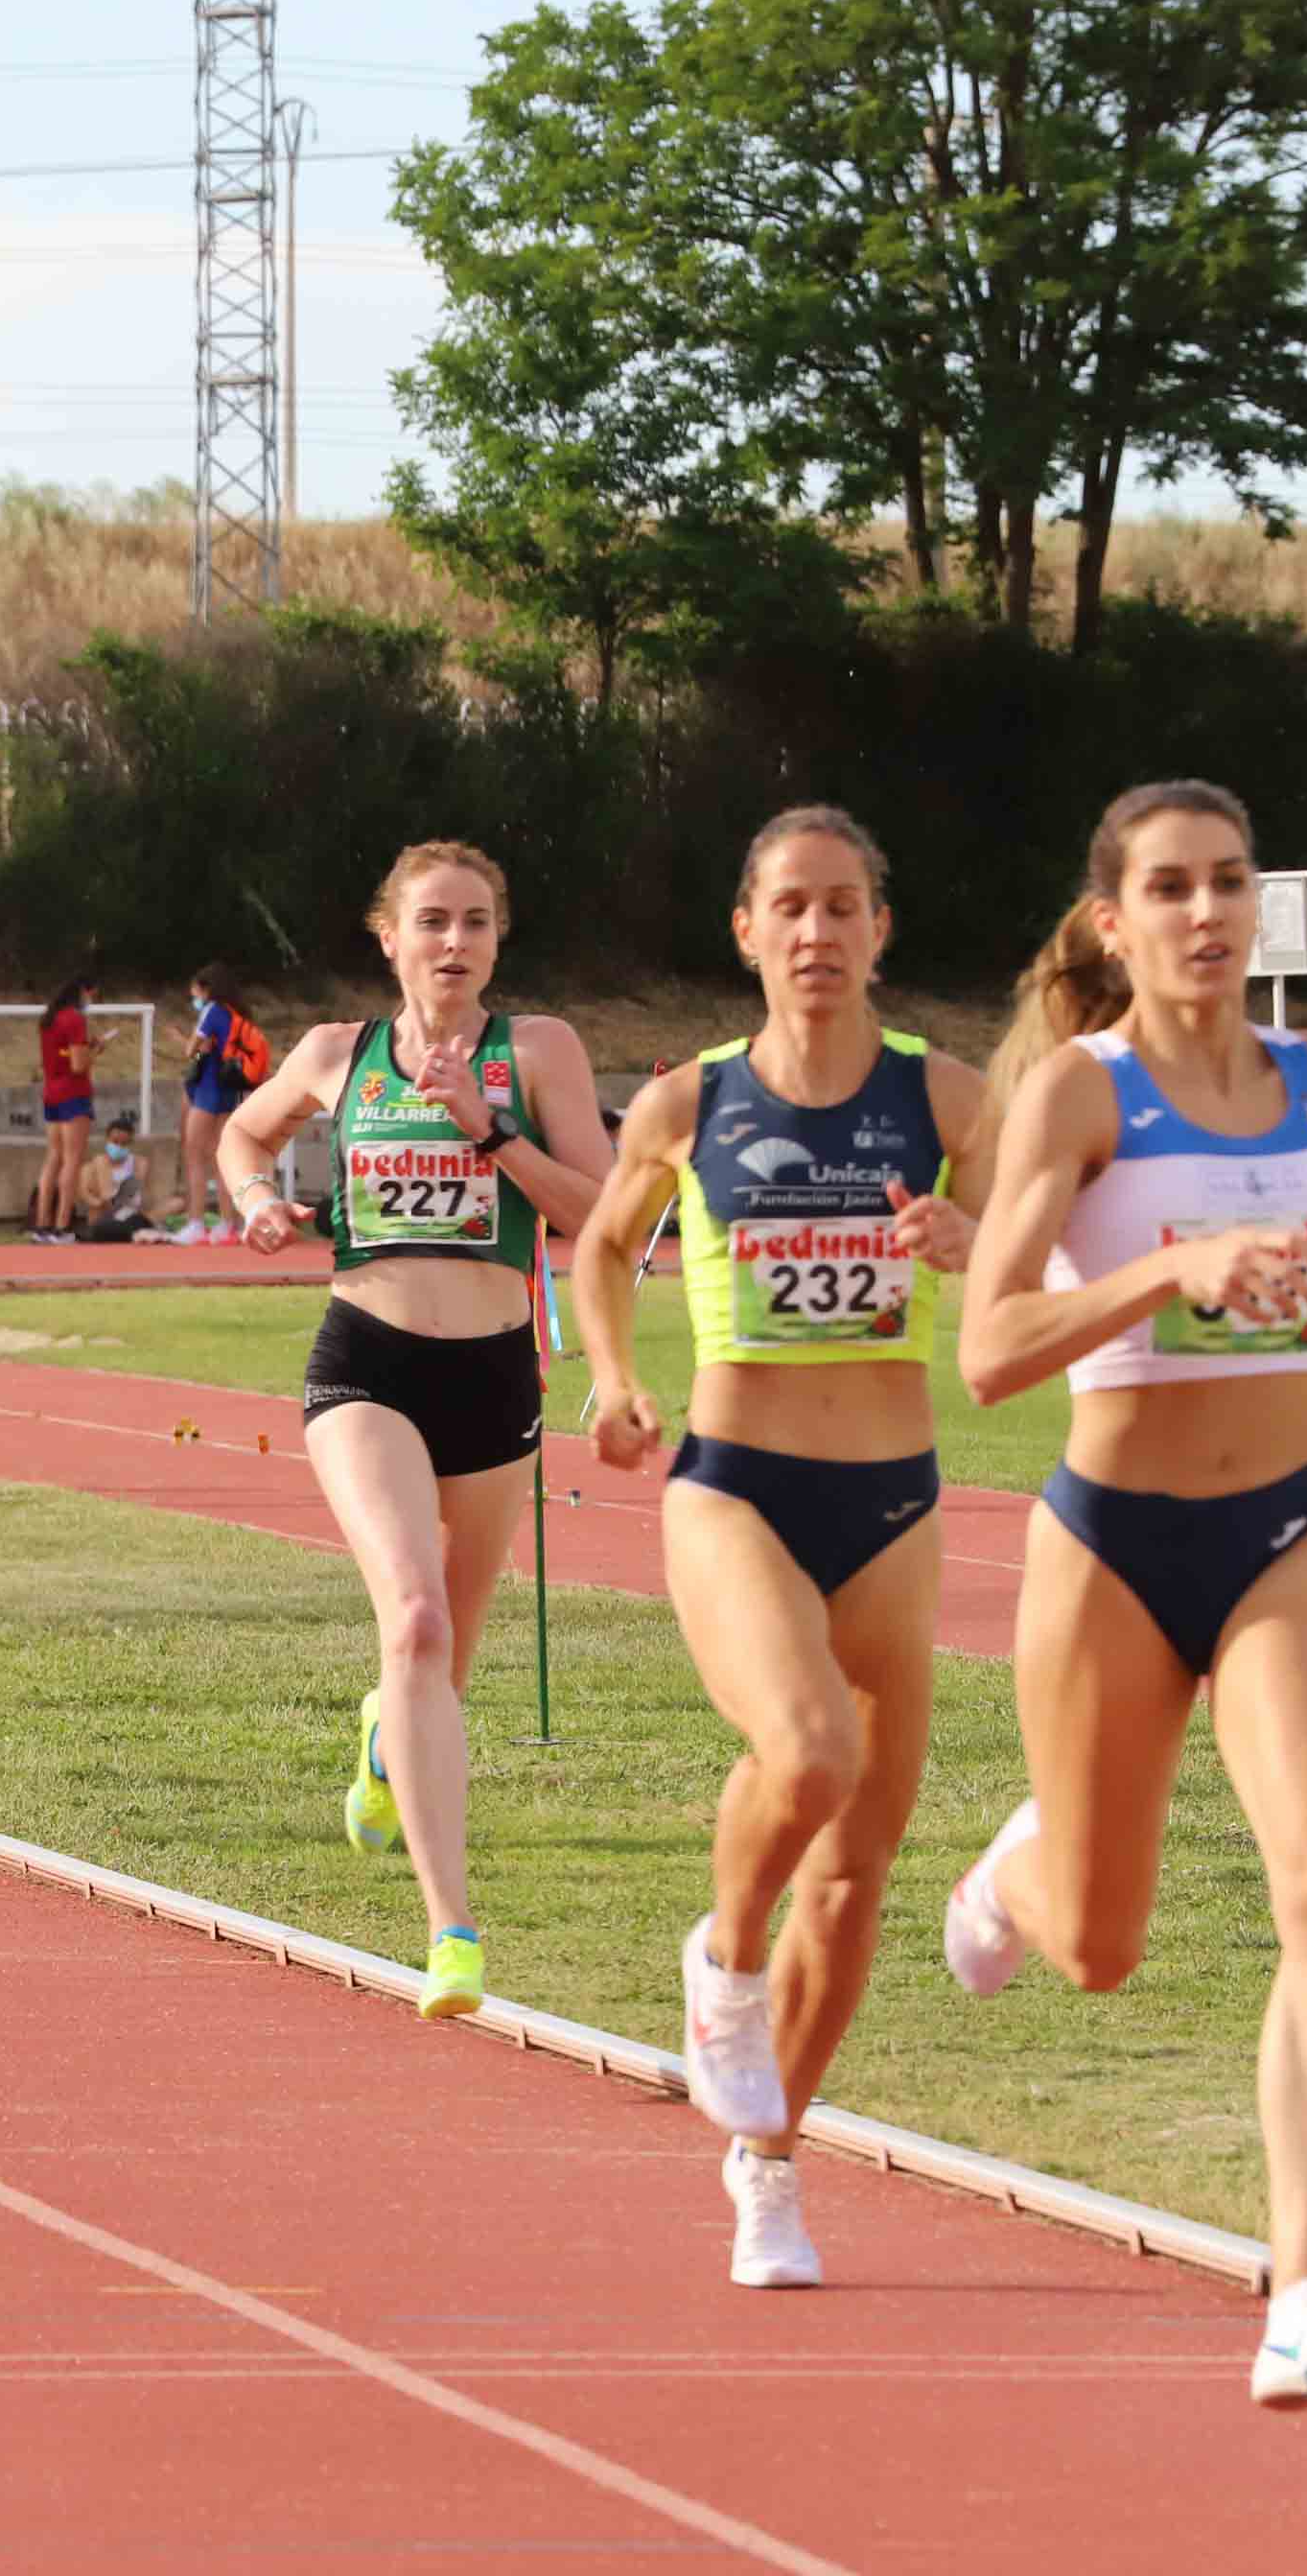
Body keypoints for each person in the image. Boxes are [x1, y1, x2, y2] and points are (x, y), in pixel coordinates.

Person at [950, 779, 1307, 2410]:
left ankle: (1300, 2289)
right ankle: (1015, 1873)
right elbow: (985, 1352)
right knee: (1104, 1947)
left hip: (1285, 1530)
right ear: (1115, 920)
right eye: (1170, 887)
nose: (1206, 912)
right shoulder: (1074, 1096)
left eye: (1231, 882)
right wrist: (1159, 1272)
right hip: (1112, 1539)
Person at [568, 807, 992, 2290]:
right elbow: (606, 1247)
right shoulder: (686, 1101)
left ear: (882, 928)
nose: (816, 934)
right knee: (805, 1754)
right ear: (746, 930)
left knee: (861, 1871)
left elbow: (1050, 1261)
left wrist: (973, 1245)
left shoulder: (952, 1101)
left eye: (844, 907)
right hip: (733, 1483)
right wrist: (614, 1377)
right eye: (788, 909)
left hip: (896, 1507)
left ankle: (769, 2167)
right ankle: (723, 1960)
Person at [216, 843, 617, 2018]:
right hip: (364, 1363)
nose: (454, 942)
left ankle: (386, 1737)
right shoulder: (335, 1054)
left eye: (475, 923)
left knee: (448, 1651)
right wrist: (254, 1199)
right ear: (384, 935)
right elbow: (243, 1133)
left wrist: (488, 1131)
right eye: (430, 921)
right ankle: (450, 1930)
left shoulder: (536, 1052)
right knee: (418, 1614)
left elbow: (600, 1210)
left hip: (493, 1376)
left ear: (498, 940)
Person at [172, 967, 268, 1243]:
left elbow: (192, 1050)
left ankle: (195, 1223)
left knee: (194, 1156)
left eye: (195, 992)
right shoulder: (236, 1013)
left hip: (208, 1090)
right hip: (228, 1090)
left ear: (205, 988)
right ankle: (228, 1225)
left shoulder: (212, 1010)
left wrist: (184, 1041)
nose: (194, 997)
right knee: (221, 1158)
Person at [28, 973, 110, 1243]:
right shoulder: (75, 1019)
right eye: (92, 996)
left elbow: (62, 1056)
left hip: (52, 1093)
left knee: (53, 1158)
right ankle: (62, 1225)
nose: (91, 1001)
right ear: (84, 992)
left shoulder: (49, 1019)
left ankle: (41, 1224)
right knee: (72, 1160)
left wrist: (87, 1048)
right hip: (73, 1094)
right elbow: (78, 1064)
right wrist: (95, 1050)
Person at [75, 1112, 160, 1244]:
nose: (119, 1146)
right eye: (115, 1142)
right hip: (103, 1217)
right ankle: (121, 1231)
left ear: (130, 1143)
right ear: (107, 1140)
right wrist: (98, 1202)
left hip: (131, 1215)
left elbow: (141, 1193)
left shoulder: (139, 1163)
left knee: (175, 1203)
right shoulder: (93, 1166)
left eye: (124, 1143)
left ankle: (131, 1231)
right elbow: (84, 1193)